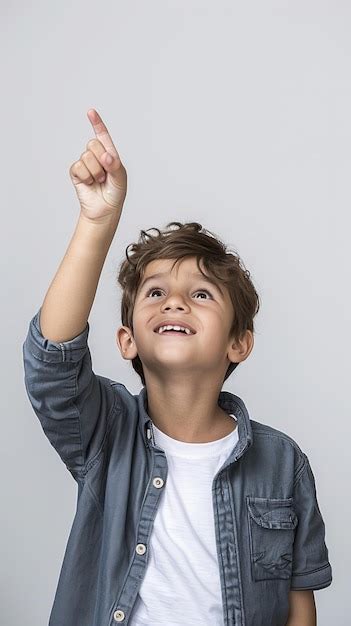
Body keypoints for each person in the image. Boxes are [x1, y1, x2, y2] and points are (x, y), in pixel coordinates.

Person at [22, 108, 332, 626]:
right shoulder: (107, 434)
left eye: (202, 294)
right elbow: (52, 360)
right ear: (127, 341)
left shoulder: (283, 463)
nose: (175, 303)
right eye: (157, 292)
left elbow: (298, 606)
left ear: (239, 343)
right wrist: (97, 222)